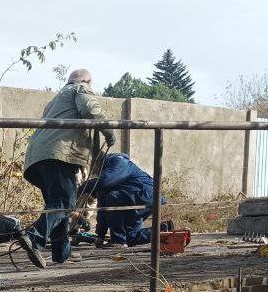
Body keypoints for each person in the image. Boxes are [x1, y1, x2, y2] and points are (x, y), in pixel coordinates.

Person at [20, 69, 116, 267]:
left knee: (58, 205)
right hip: (58, 154)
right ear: (88, 81)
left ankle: (61, 253)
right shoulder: (81, 89)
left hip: (37, 158)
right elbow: (91, 110)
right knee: (65, 203)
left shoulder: (55, 100)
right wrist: (109, 132)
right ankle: (34, 236)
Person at [80, 153, 168, 248]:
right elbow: (102, 209)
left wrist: (81, 188)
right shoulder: (105, 180)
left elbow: (105, 180)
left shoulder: (118, 161)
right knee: (131, 237)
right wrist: (100, 235)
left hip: (145, 196)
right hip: (136, 199)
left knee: (113, 197)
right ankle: (164, 229)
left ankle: (118, 241)